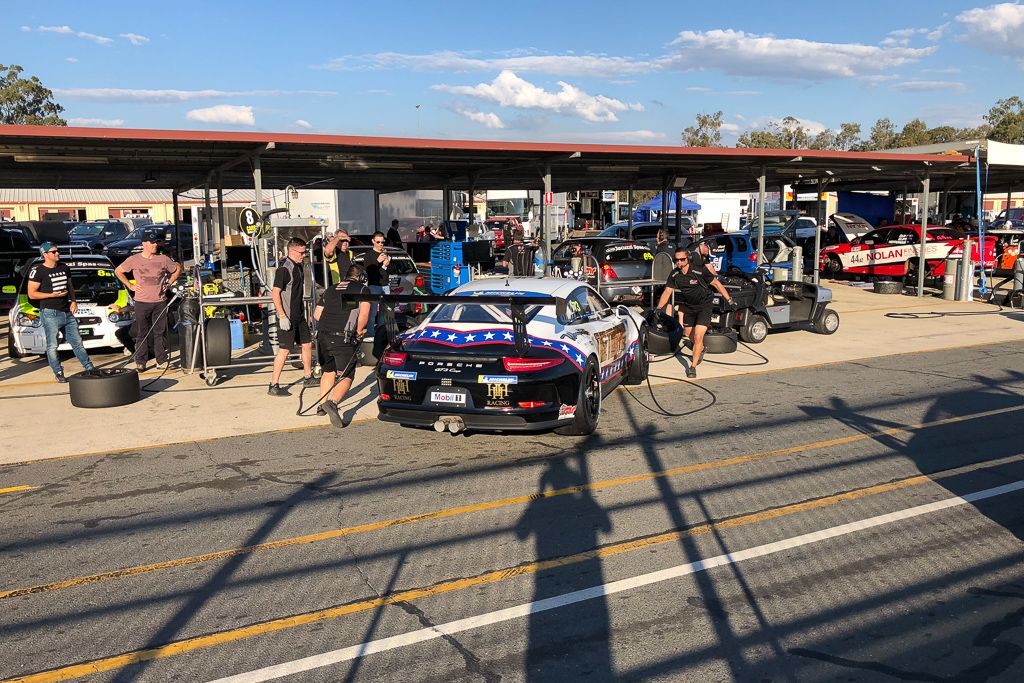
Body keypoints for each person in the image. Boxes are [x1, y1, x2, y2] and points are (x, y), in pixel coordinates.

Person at [656, 247, 734, 379]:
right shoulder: (675, 274)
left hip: (704, 305)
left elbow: (716, 284)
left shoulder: (698, 270)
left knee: (698, 337)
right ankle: (701, 348)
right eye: (677, 260)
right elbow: (667, 292)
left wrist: (729, 299)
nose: (679, 262)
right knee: (687, 333)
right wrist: (658, 309)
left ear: (688, 259)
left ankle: (692, 367)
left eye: (682, 259)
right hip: (689, 307)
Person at [28, 242, 100, 383]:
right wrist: (51, 295)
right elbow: (32, 294)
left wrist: (73, 301)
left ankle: (89, 368)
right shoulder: (38, 271)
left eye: (57, 251)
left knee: (77, 342)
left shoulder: (64, 267)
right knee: (53, 345)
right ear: (45, 255)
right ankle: (58, 372)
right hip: (50, 312)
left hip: (67, 311)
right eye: (54, 252)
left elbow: (70, 286)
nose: (57, 253)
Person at [313, 263, 371, 427]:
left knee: (328, 370)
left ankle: (321, 405)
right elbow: (364, 315)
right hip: (342, 338)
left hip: (322, 335)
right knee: (347, 374)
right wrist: (359, 332)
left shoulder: (331, 289)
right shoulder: (361, 290)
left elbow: (317, 315)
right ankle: (332, 402)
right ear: (361, 277)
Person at [115, 232, 180, 371]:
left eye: (156, 242)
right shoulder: (134, 260)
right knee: (141, 333)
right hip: (141, 302)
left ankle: (161, 361)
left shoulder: (163, 259)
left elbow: (177, 268)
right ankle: (141, 361)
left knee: (160, 332)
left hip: (160, 302)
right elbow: (118, 271)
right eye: (151, 242)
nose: (155, 245)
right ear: (144, 244)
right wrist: (130, 285)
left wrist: (168, 283)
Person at [268, 237, 316, 396]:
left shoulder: (299, 267)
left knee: (307, 344)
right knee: (284, 350)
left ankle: (308, 376)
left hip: (299, 315)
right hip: (287, 316)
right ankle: (273, 384)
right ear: (292, 251)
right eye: (301, 252)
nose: (304, 255)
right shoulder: (284, 269)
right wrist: (282, 316)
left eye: (305, 252)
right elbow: (275, 294)